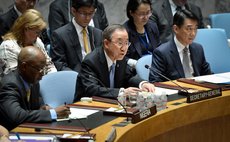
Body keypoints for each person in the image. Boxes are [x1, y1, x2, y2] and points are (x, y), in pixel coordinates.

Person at [74, 24, 155, 101]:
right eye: (120, 43)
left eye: (126, 43)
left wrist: (142, 84)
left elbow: (129, 76)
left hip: (112, 104)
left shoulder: (120, 57)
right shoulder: (91, 62)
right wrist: (121, 92)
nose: (124, 48)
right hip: (88, 106)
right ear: (106, 43)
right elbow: (92, 89)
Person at [0, 46, 70, 131]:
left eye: (44, 68)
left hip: (31, 128)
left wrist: (44, 108)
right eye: (39, 69)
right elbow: (17, 116)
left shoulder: (32, 80)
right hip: (12, 133)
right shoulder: (9, 85)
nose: (42, 74)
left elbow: (39, 105)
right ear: (24, 66)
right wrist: (53, 113)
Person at [149, 9, 211, 83]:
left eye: (195, 29)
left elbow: (208, 75)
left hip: (199, 90)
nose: (193, 33)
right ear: (176, 29)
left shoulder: (198, 48)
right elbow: (155, 81)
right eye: (189, 29)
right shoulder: (162, 52)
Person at [0, 9, 57, 75]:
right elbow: (15, 77)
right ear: (26, 29)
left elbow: (48, 64)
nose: (39, 35)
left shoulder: (37, 41)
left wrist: (53, 77)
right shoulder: (8, 47)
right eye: (37, 32)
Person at [51, 0, 103, 72]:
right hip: (74, 78)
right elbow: (59, 64)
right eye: (84, 13)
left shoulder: (98, 34)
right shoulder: (60, 35)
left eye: (91, 13)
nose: (87, 18)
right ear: (73, 11)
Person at [123, 0, 160, 68]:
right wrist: (137, 64)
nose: (146, 17)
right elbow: (122, 57)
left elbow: (159, 48)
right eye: (141, 14)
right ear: (131, 13)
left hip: (155, 67)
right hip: (135, 70)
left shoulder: (152, 26)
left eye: (148, 12)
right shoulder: (124, 32)